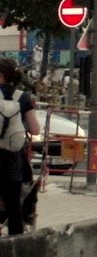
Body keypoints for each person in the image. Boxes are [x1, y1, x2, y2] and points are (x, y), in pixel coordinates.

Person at [0, 58, 39, 236]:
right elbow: (35, 129)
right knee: (13, 204)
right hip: (13, 159)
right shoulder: (22, 97)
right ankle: (17, 244)